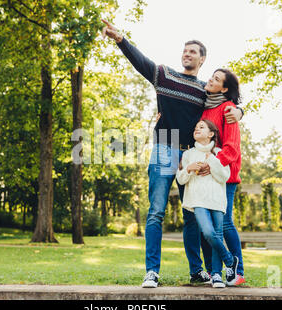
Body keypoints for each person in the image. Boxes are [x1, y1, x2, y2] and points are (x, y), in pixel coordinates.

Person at [101, 20, 244, 288]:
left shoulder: (205, 89)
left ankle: (197, 271)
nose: (187, 54)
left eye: (193, 51)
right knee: (156, 211)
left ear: (202, 59)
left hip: (191, 152)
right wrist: (120, 39)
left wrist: (240, 111)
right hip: (165, 147)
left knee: (193, 213)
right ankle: (152, 272)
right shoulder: (164, 75)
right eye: (185, 50)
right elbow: (140, 61)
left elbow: (226, 103)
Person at [176, 119, 239, 288]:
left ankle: (217, 275)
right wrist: (189, 168)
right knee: (208, 233)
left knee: (217, 235)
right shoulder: (188, 154)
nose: (197, 129)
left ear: (211, 134)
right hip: (197, 201)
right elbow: (180, 179)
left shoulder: (218, 152)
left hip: (217, 201)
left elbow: (224, 176)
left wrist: (212, 160)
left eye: (201, 127)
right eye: (196, 127)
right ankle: (229, 259)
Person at [199, 68, 245, 286]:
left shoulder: (228, 108)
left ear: (224, 89)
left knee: (225, 223)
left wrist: (212, 164)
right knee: (207, 225)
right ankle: (214, 272)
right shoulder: (205, 107)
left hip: (225, 175)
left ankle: (238, 271)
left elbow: (232, 148)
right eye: (211, 76)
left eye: (216, 79)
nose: (210, 79)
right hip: (207, 175)